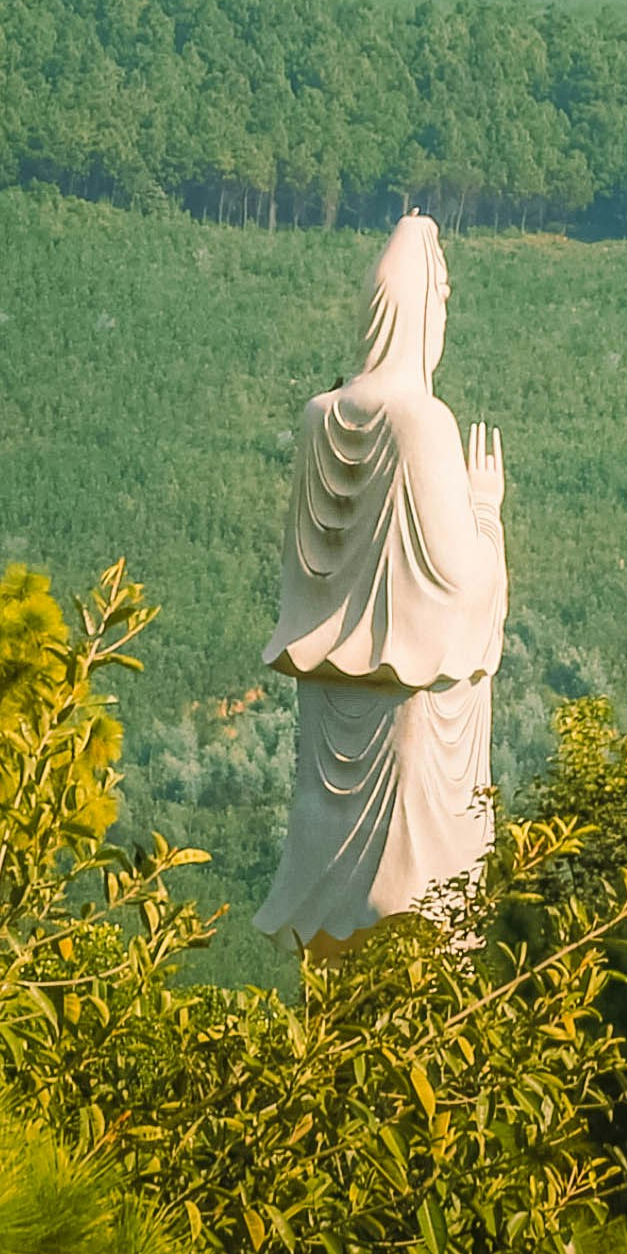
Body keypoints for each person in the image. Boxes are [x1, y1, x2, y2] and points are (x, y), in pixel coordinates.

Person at [257, 212, 507, 947]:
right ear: (423, 309)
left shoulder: (318, 417)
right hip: (411, 721)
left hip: (328, 707)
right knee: (417, 931)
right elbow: (460, 590)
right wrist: (486, 513)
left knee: (332, 949)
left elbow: (309, 583)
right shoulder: (421, 419)